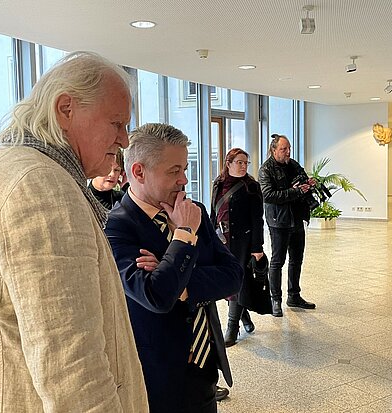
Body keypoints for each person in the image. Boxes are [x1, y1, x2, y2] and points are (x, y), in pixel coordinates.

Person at [0, 51, 149, 412]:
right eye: (116, 123)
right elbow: (73, 369)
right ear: (66, 109)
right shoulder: (43, 189)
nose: (124, 139)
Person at [105, 123, 243, 413]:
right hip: (156, 375)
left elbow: (233, 277)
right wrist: (183, 235)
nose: (184, 179)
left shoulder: (195, 212)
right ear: (139, 172)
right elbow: (155, 296)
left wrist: (178, 282)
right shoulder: (116, 226)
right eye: (174, 171)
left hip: (204, 366)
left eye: (185, 169)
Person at [210, 148, 266, 346]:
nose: (243, 166)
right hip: (222, 241)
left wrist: (257, 247)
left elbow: (257, 219)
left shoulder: (251, 186)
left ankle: (232, 328)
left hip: (243, 243)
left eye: (246, 163)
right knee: (226, 281)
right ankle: (244, 317)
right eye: (239, 162)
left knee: (238, 282)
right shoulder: (218, 183)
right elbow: (213, 214)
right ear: (229, 163)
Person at [258, 134, 316, 317]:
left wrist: (309, 185)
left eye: (289, 148)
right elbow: (269, 195)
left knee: (296, 260)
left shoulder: (293, 164)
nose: (288, 152)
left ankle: (294, 296)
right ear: (273, 150)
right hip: (278, 222)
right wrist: (295, 191)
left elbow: (303, 183)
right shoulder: (265, 169)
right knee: (277, 262)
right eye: (284, 149)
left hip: (297, 219)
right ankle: (275, 300)